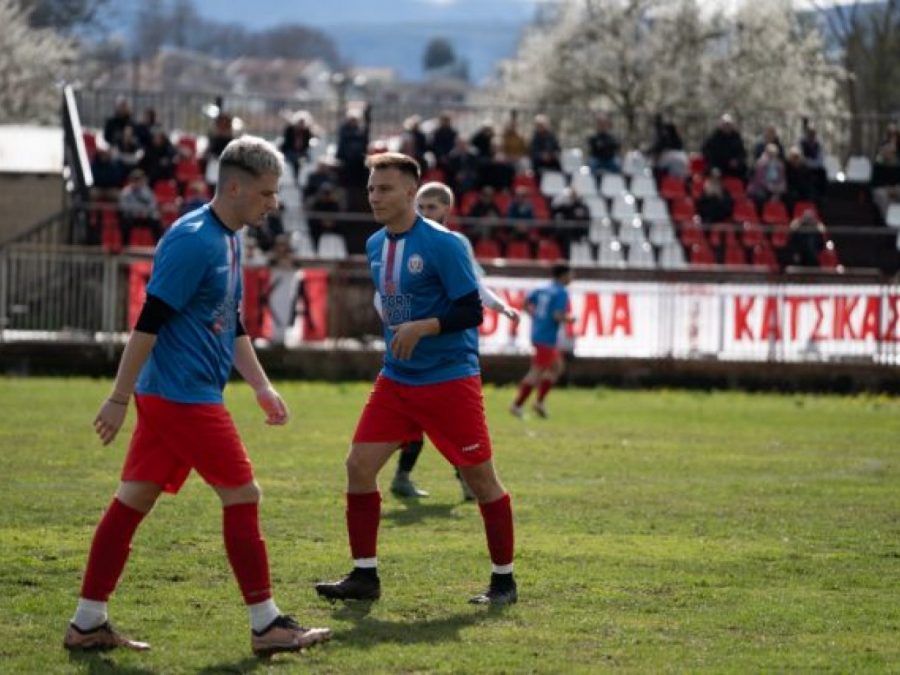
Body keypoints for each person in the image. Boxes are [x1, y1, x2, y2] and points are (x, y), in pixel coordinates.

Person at [63, 136, 331, 656]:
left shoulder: (229, 237)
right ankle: (266, 624)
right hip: (183, 399)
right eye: (265, 193)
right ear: (234, 187)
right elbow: (149, 322)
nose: (273, 203)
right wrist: (118, 397)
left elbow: (229, 322)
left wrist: (261, 385)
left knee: (131, 501)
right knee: (244, 495)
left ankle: (87, 622)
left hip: (181, 395)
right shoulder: (194, 241)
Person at [315, 153, 518, 606]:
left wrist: (424, 326)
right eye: (371, 189)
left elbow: (470, 310)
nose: (375, 197)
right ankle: (365, 576)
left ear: (411, 191)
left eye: (384, 189)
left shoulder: (444, 245)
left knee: (482, 480)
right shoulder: (373, 245)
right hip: (396, 379)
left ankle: (504, 581)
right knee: (358, 466)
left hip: (449, 380)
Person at [385, 181, 519, 500]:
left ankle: (463, 482)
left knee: (452, 420)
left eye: (432, 207)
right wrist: (397, 323)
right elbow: (391, 288)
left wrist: (500, 306)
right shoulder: (399, 241)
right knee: (417, 417)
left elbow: (474, 287)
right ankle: (406, 477)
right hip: (414, 344)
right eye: (421, 206)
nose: (425, 212)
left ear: (447, 210)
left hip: (449, 343)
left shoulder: (455, 242)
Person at [510, 264, 576, 419]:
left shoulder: (541, 287)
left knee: (556, 367)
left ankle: (539, 402)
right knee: (537, 371)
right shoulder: (561, 291)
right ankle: (517, 405)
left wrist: (536, 318)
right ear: (563, 275)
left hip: (538, 333)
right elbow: (557, 315)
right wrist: (570, 319)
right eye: (570, 274)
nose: (572, 277)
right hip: (546, 337)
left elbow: (525, 303)